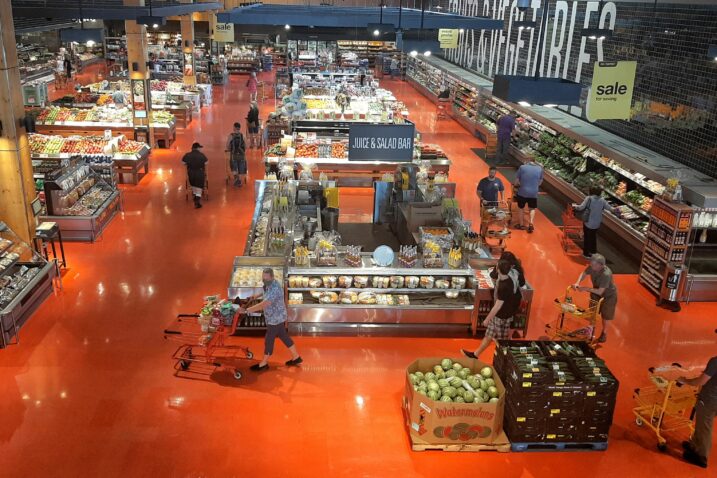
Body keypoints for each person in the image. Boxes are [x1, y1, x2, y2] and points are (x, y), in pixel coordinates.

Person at [241, 269, 302, 371]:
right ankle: (296, 357)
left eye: (267, 279)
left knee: (269, 340)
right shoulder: (269, 283)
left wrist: (247, 310)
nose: (265, 281)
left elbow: (264, 304)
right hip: (277, 316)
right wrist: (255, 296)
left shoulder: (276, 289)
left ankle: (264, 363)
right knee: (284, 336)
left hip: (275, 319)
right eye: (263, 278)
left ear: (272, 277)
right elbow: (265, 289)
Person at [462, 259, 522, 358]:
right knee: (489, 335)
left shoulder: (504, 286)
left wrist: (487, 319)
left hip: (502, 317)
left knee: (502, 343)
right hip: (500, 315)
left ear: (498, 269)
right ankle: (475, 355)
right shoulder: (507, 278)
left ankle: (507, 360)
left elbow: (498, 306)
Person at [679, 354, 717, 468]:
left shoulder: (715, 361)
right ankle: (694, 445)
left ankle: (701, 456)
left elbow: (700, 381)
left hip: (709, 399)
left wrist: (684, 380)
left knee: (705, 427)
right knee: (701, 423)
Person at [573, 253, 618, 343]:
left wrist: (586, 288)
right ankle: (590, 329)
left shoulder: (606, 274)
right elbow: (584, 273)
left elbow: (601, 292)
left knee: (605, 315)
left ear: (601, 265)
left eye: (593, 265)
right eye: (591, 264)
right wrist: (577, 282)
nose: (591, 266)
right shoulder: (593, 267)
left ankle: (604, 333)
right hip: (595, 291)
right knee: (593, 311)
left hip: (608, 295)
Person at [573, 186, 617, 259]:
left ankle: (586, 253)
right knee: (593, 237)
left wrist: (575, 206)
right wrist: (617, 210)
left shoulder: (589, 198)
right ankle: (593, 252)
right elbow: (610, 209)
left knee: (587, 237)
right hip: (597, 223)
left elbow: (581, 207)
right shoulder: (602, 200)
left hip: (588, 221)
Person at [514, 158, 543, 233]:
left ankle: (521, 225)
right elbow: (540, 181)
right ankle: (531, 223)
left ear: (527, 161)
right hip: (533, 193)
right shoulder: (540, 169)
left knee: (521, 208)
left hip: (522, 192)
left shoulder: (522, 167)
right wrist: (535, 186)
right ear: (534, 161)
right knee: (532, 208)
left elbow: (516, 181)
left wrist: (517, 185)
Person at [182, 142, 208, 209]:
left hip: (191, 172)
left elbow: (183, 162)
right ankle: (197, 199)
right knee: (199, 186)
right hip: (200, 172)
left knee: (193, 184)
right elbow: (206, 162)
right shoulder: (201, 155)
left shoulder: (187, 155)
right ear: (197, 148)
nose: (201, 149)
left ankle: (195, 195)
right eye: (200, 148)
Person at [225, 122, 247, 187]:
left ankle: (236, 178)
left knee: (233, 167)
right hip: (241, 154)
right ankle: (239, 180)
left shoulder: (231, 135)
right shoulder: (243, 135)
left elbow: (227, 145)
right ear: (240, 128)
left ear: (234, 128)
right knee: (241, 167)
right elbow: (246, 145)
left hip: (234, 154)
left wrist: (229, 149)